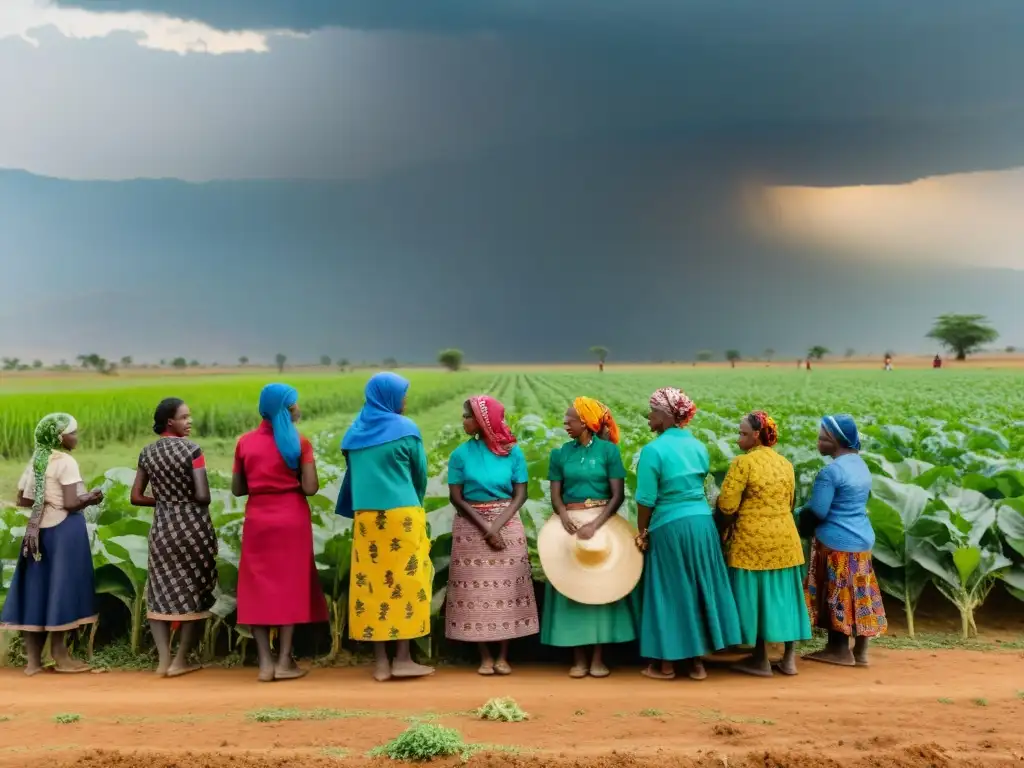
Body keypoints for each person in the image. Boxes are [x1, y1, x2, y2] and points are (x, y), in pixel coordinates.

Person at [635, 388, 741, 681]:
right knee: (699, 588)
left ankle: (666, 665)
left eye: (652, 412)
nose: (649, 417)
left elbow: (645, 499)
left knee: (670, 592)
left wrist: (642, 532)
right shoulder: (698, 446)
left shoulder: (653, 451)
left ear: (666, 416)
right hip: (701, 524)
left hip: (670, 525)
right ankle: (697, 665)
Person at [337, 372, 434, 682]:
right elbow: (420, 474)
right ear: (389, 397)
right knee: (406, 584)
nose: (405, 401)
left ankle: (380, 664)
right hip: (402, 515)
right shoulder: (406, 429)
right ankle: (403, 659)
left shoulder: (354, 433)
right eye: (402, 395)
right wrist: (414, 502)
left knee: (372, 586)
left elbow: (353, 475)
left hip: (366, 518)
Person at [233, 383, 327, 682]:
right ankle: (285, 661)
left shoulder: (244, 443)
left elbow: (237, 489)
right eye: (295, 404)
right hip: (292, 520)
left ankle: (264, 663)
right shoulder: (300, 443)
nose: (298, 408)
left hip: (259, 519)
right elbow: (311, 488)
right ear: (287, 409)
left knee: (256, 587)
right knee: (290, 588)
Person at [1, 413, 103, 675]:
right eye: (73, 432)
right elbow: (70, 503)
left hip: (37, 530)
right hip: (64, 531)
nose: (76, 437)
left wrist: (44, 501)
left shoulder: (38, 458)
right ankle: (61, 657)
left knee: (36, 590)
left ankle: (33, 663)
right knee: (63, 589)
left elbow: (23, 499)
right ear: (61, 437)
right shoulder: (66, 461)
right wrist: (91, 498)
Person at [541, 397, 637, 678]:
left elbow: (616, 495)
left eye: (569, 420)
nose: (565, 424)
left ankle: (597, 658)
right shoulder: (560, 454)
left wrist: (595, 524)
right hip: (568, 523)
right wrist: (564, 516)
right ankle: (578, 659)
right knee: (570, 587)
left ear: (585, 423)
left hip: (603, 524)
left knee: (601, 590)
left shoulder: (609, 452)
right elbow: (555, 495)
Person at [445, 396, 538, 675]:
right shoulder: (460, 454)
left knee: (507, 591)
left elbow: (520, 494)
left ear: (484, 421)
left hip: (507, 523)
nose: (463, 421)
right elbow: (456, 497)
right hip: (470, 526)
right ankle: (484, 655)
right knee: (475, 593)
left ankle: (503, 656)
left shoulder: (513, 452)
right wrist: (486, 529)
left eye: (467, 416)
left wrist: (496, 527)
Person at [716, 411, 811, 677]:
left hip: (752, 541)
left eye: (743, 433)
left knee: (757, 599)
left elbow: (727, 505)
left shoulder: (742, 463)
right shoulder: (785, 464)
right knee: (785, 597)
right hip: (785, 539)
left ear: (756, 435)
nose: (738, 439)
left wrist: (720, 526)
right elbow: (791, 502)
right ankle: (789, 659)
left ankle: (760, 659)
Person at [130, 398, 216, 678]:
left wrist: (166, 501)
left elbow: (136, 497)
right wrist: (183, 501)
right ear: (170, 421)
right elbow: (204, 496)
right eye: (185, 417)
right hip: (193, 528)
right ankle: (180, 661)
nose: (189, 421)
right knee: (194, 590)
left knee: (160, 590)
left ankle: (163, 661)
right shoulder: (193, 450)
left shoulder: (147, 452)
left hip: (163, 528)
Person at [801, 414, 887, 666]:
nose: (818, 442)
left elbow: (818, 511)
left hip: (836, 542)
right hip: (861, 539)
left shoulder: (831, 472)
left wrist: (795, 519)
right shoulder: (860, 465)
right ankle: (860, 651)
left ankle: (838, 649)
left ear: (836, 441)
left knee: (837, 593)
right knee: (860, 591)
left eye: (822, 438)